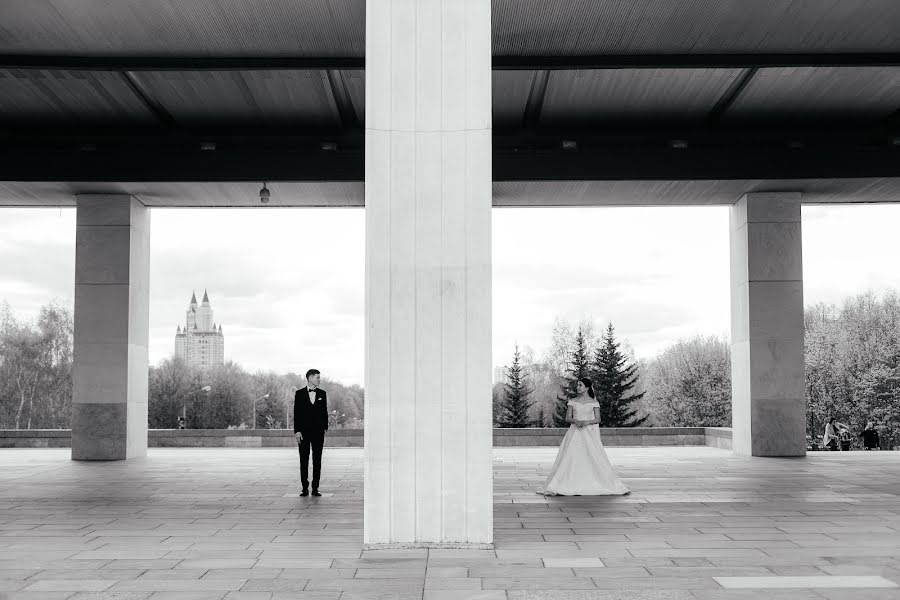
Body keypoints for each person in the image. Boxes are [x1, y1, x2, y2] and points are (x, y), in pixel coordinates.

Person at [537, 377, 630, 496]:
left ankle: (597, 482)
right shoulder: (573, 401)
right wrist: (575, 420)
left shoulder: (594, 402)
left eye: (580, 385)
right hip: (574, 432)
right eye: (577, 385)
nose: (577, 387)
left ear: (587, 387)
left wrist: (587, 422)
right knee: (571, 457)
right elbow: (567, 418)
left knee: (593, 456)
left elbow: (598, 419)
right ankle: (566, 483)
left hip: (588, 433)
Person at [294, 368, 328, 496]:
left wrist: (325, 427)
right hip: (303, 433)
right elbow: (296, 413)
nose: (319, 379)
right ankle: (304, 488)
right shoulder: (299, 394)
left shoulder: (322, 393)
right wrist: (297, 431)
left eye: (319, 377)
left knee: (317, 461)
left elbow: (324, 411)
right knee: (304, 460)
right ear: (310, 378)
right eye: (317, 377)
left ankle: (315, 488)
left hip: (318, 433)